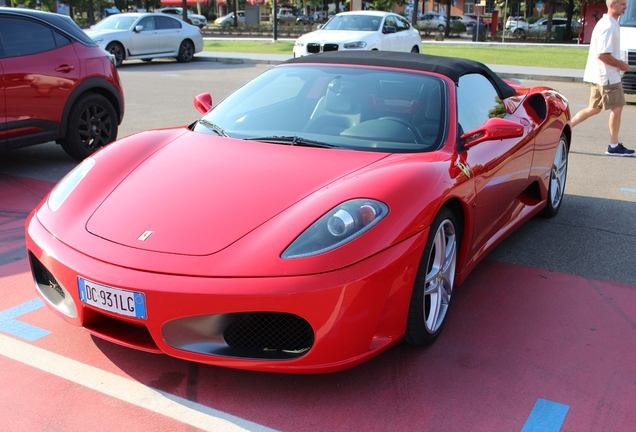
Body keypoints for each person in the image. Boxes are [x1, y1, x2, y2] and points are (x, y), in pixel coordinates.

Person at [571, 0, 633, 156]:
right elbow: (602, 55)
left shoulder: (607, 23)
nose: (625, 6)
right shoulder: (608, 26)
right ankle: (614, 145)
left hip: (598, 75)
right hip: (607, 76)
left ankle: (565, 128)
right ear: (612, 5)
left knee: (594, 109)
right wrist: (621, 65)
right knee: (617, 108)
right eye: (622, 4)